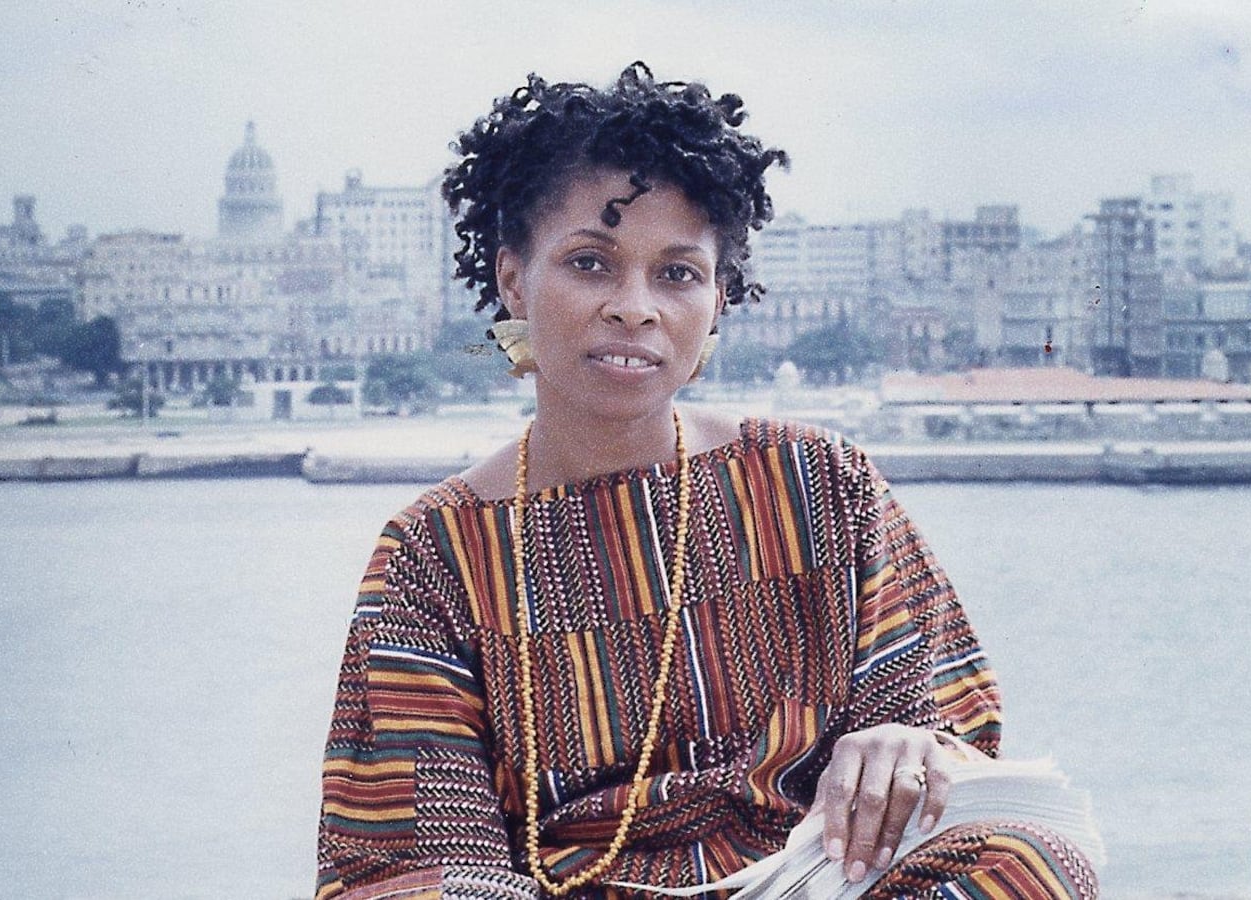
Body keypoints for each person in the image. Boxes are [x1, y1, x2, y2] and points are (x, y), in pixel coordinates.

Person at [315, 63, 1097, 900]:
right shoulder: (437, 552)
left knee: (1034, 860)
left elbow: (950, 737)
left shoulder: (818, 484)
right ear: (514, 279)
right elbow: (420, 854)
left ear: (719, 298)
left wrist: (908, 744)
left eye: (677, 274)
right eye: (589, 263)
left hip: (821, 881)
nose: (634, 307)